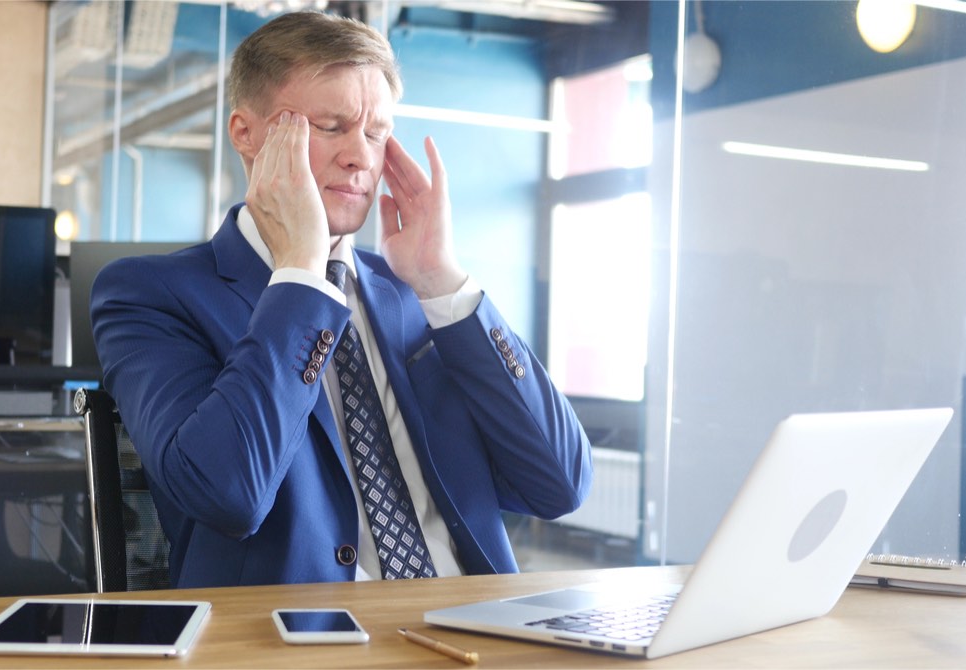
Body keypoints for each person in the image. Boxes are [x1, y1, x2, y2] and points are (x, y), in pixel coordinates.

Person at [90, 10, 592, 589]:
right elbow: (227, 494)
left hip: (472, 624)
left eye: (376, 132)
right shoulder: (148, 294)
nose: (362, 157)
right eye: (331, 126)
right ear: (246, 134)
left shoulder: (417, 293)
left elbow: (560, 485)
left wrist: (444, 281)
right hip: (300, 641)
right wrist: (302, 273)